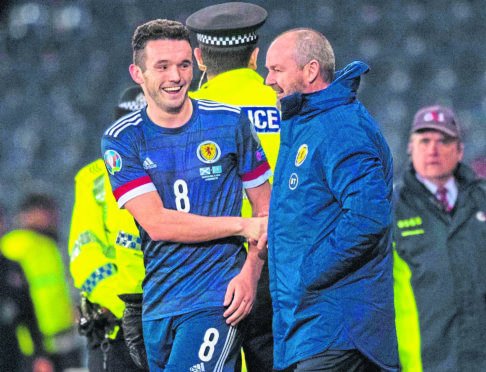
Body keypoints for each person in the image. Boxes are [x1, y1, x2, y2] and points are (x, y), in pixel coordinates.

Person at [101, 19, 272, 372]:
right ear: (138, 73)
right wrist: (242, 225)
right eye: (162, 66)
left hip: (218, 297)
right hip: (159, 304)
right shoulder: (121, 139)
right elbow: (158, 223)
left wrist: (250, 274)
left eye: (183, 65)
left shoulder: (231, 122)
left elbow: (266, 210)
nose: (176, 76)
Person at [262, 28, 399, 371]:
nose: (268, 80)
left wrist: (310, 271)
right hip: (314, 327)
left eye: (277, 70)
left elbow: (369, 216)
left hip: (337, 329)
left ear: (309, 71)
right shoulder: (310, 123)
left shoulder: (338, 127)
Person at [186, 3, 279, 371]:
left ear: (199, 58)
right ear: (255, 56)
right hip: (278, 262)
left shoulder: (182, 113)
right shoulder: (287, 103)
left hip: (206, 265)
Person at [393, 105, 486, 371]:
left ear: (460, 151)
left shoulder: (482, 200)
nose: (432, 149)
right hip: (422, 363)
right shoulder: (390, 209)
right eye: (424, 141)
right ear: (410, 148)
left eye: (443, 140)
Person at [68, 85, 148, 371]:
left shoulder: (176, 169)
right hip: (116, 331)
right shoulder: (93, 179)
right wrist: (127, 307)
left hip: (170, 320)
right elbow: (84, 256)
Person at [0, 193, 83, 372]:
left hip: (63, 338)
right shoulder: (14, 244)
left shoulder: (50, 245)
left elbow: (60, 288)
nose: (52, 218)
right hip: (32, 343)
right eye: (46, 211)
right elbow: (16, 300)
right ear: (27, 214)